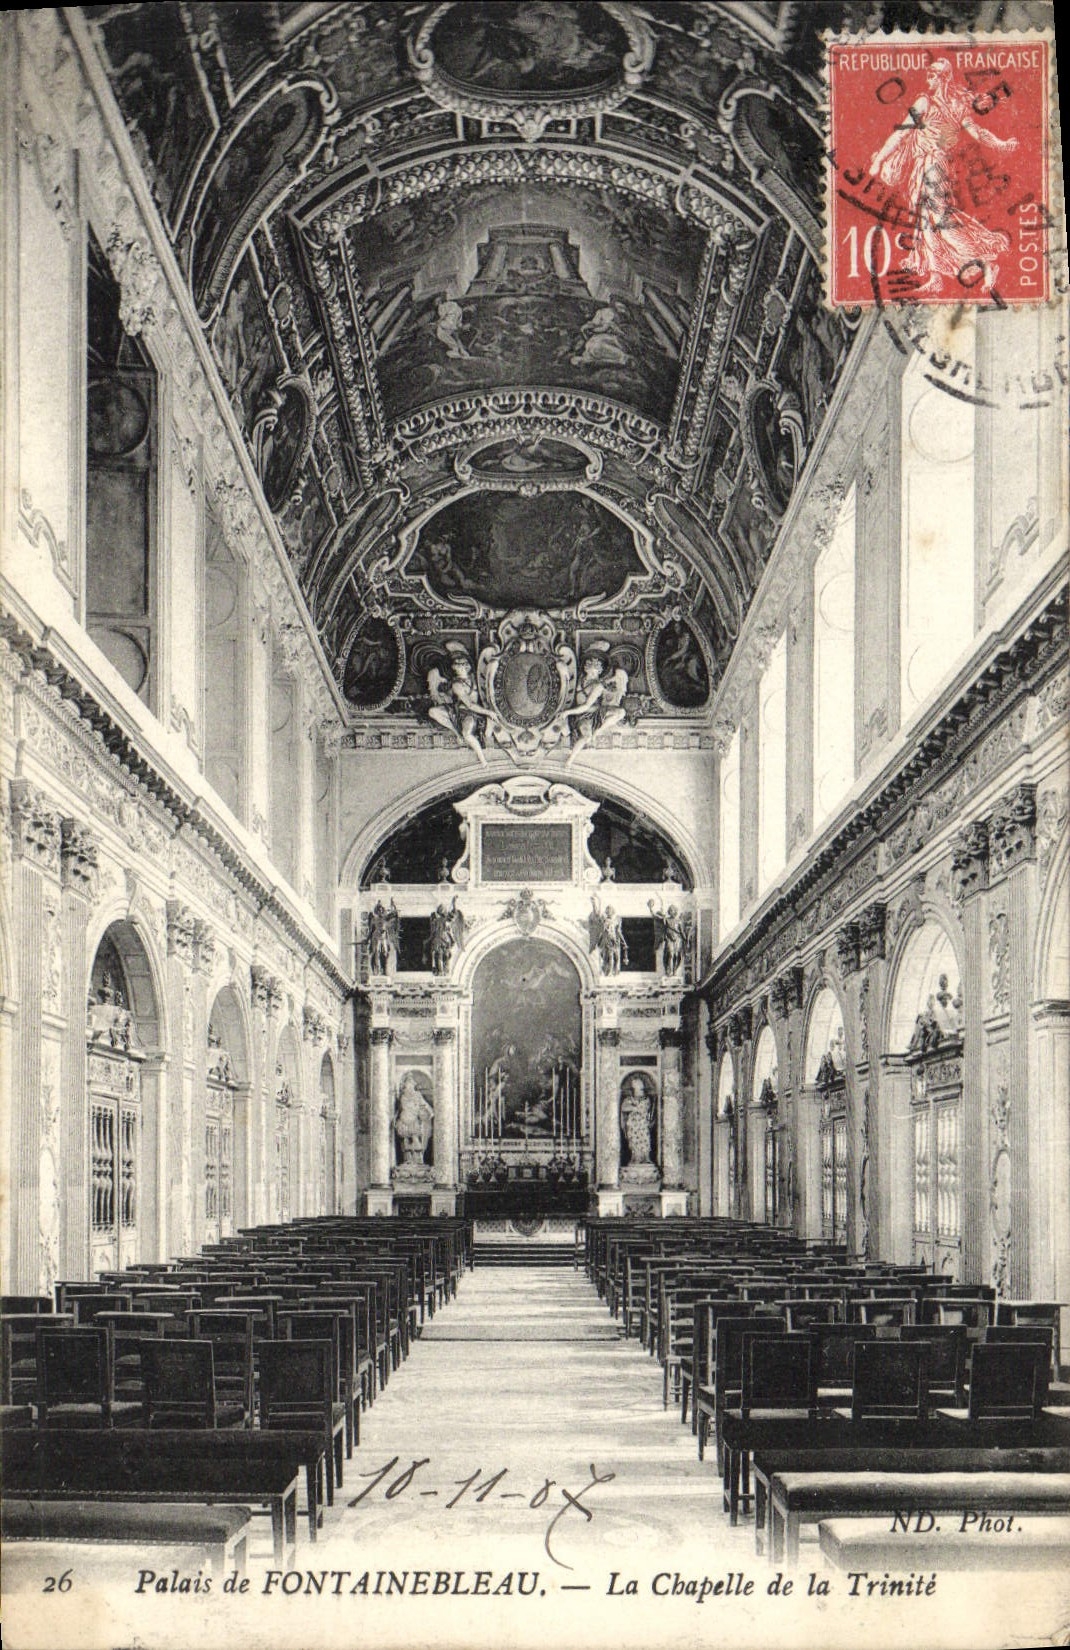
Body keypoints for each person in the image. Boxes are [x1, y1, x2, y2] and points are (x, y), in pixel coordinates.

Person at [866, 57, 1018, 294]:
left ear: (943, 78)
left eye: (933, 74)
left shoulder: (926, 103)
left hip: (931, 165)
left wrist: (878, 160)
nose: (928, 79)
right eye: (929, 74)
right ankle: (936, 276)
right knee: (926, 221)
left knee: (940, 219)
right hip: (927, 165)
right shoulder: (954, 106)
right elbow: (976, 134)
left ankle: (986, 262)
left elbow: (901, 134)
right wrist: (1001, 144)